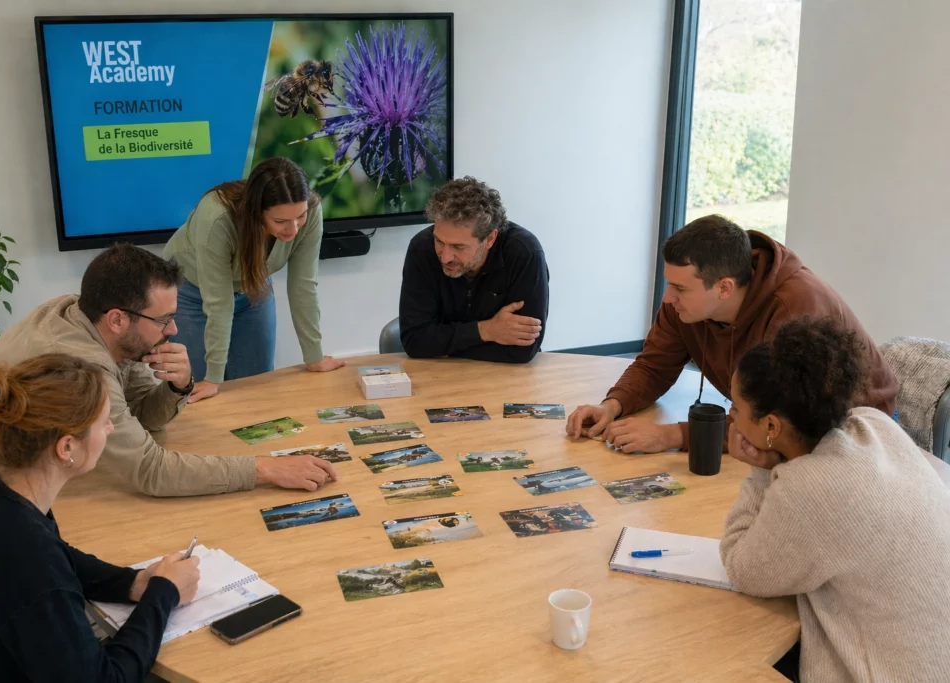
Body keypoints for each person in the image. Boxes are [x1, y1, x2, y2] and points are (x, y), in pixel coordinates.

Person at [0, 244, 336, 525]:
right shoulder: (76, 363)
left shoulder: (92, 316)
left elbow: (140, 412)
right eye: (163, 321)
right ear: (119, 319)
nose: (174, 328)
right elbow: (151, 471)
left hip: (4, 496)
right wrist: (266, 468)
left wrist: (177, 388)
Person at [0, 354, 202, 681]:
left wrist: (131, 582)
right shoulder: (22, 550)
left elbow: (58, 554)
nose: (111, 428)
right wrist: (163, 594)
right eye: (104, 422)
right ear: (66, 447)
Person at [721, 319, 950, 682]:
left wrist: (761, 470)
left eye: (735, 405)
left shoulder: (809, 488)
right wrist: (777, 459)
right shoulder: (875, 424)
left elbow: (743, 568)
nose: (730, 415)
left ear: (771, 427)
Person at [566, 215, 898, 452]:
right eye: (669, 283)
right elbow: (654, 365)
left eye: (680, 287)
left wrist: (670, 436)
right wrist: (613, 405)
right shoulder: (684, 305)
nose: (668, 297)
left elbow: (777, 421)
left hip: (850, 431)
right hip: (767, 426)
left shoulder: (796, 309)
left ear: (724, 287)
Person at [164, 157, 345, 404]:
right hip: (191, 294)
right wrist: (213, 377)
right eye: (280, 221)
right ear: (255, 213)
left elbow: (303, 286)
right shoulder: (216, 217)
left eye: (299, 217)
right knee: (201, 395)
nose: (293, 230)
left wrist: (314, 357)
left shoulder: (310, 212)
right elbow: (218, 302)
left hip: (252, 288)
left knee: (258, 392)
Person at [399, 176, 550, 363]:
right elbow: (415, 341)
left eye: (458, 247)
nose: (445, 257)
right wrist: (487, 331)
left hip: (509, 378)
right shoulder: (421, 248)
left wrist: (444, 345)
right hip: (439, 375)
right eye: (439, 241)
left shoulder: (523, 253)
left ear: (490, 239)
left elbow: (522, 350)